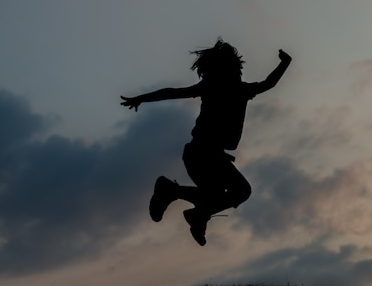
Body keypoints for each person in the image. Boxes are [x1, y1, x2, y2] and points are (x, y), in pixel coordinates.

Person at [120, 39, 292, 246]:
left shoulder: (238, 89)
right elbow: (173, 92)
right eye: (234, 69)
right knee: (239, 192)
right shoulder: (218, 87)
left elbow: (268, 84)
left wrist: (284, 63)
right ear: (225, 70)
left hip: (206, 155)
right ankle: (192, 210)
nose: (238, 73)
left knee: (216, 196)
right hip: (203, 153)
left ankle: (183, 202)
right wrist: (284, 63)